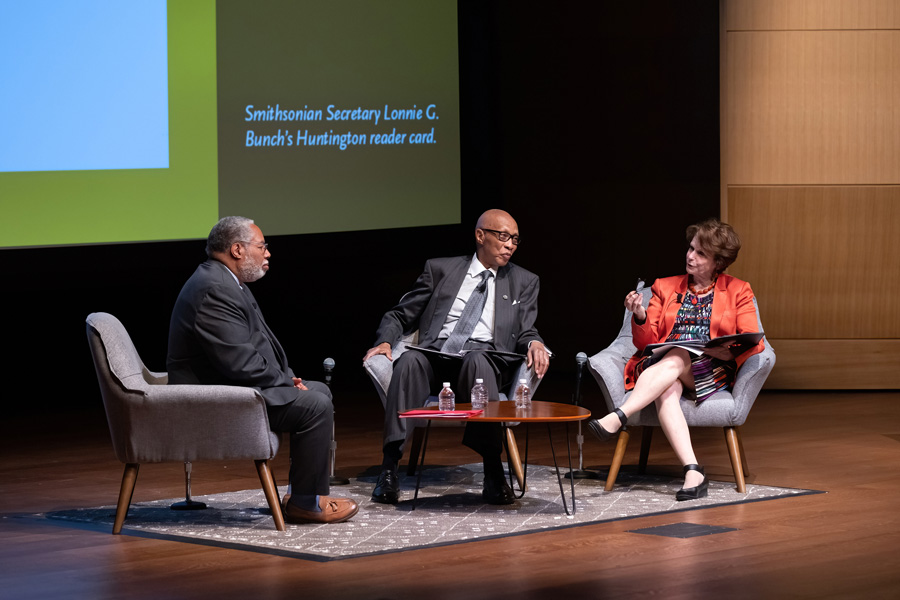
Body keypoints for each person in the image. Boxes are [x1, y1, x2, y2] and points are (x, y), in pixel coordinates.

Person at [167, 216, 358, 524]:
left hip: (232, 388)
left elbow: (253, 349)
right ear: (238, 249)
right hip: (213, 400)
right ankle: (306, 504)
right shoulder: (214, 288)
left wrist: (287, 378)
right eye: (262, 246)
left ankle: (302, 494)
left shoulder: (226, 281)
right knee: (315, 404)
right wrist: (285, 381)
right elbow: (239, 362)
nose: (268, 253)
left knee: (319, 391)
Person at [363, 209, 550, 505]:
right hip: (437, 354)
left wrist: (536, 342)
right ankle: (389, 468)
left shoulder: (525, 281)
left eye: (514, 239)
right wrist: (385, 341)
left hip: (484, 357)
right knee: (409, 361)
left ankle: (492, 471)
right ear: (480, 236)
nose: (509, 245)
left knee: (477, 360)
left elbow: (526, 329)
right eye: (502, 237)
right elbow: (401, 313)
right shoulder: (440, 269)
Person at [586, 218, 765, 500]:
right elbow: (645, 343)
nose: (690, 256)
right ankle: (693, 470)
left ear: (719, 262)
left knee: (680, 353)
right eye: (691, 248)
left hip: (710, 370)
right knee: (670, 376)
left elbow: (754, 339)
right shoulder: (664, 287)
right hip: (664, 366)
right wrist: (640, 315)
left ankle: (620, 415)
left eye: (700, 253)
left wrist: (727, 351)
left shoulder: (738, 290)